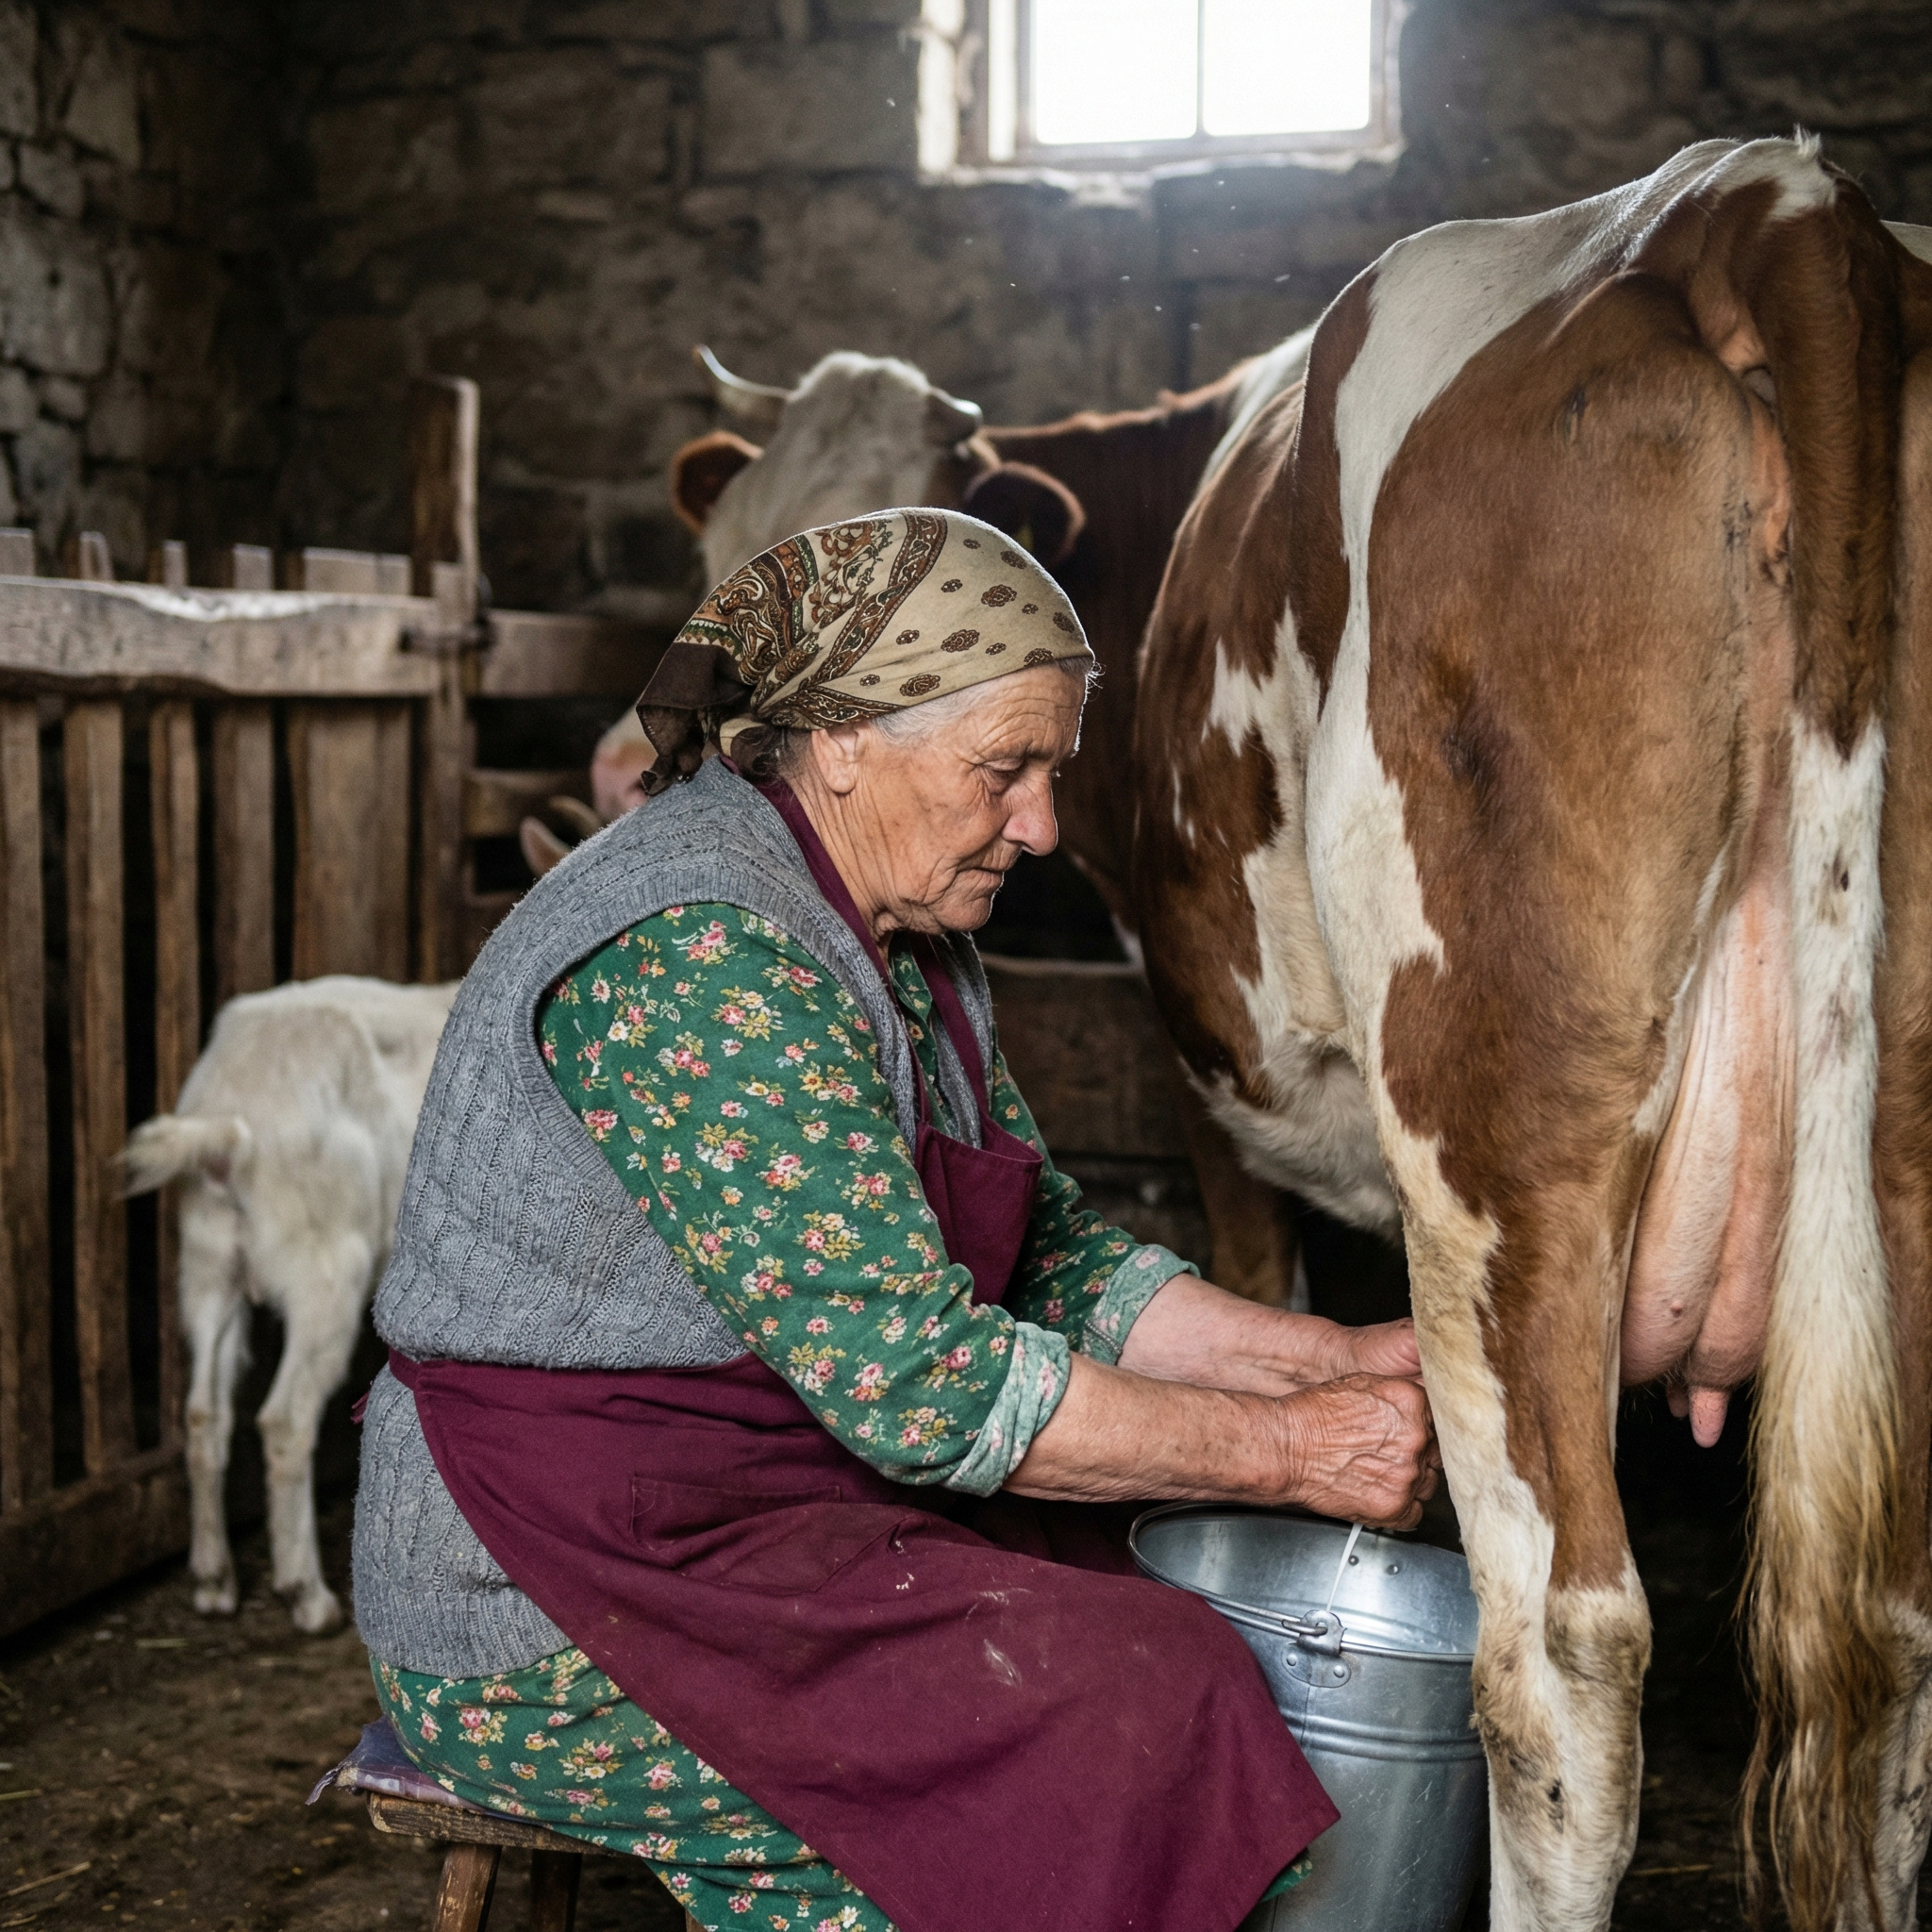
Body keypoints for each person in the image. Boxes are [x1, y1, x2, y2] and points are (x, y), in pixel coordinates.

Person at [352, 508, 1439, 1932]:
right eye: (1008, 770)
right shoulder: (706, 949)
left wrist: (1329, 1360)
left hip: (751, 1502)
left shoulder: (902, 937)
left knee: (1146, 1606)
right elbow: (922, 1386)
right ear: (849, 739)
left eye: (1053, 771)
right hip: (547, 1582)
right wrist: (1295, 1455)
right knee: (1130, 1699)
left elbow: (1045, 1252)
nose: (1044, 825)